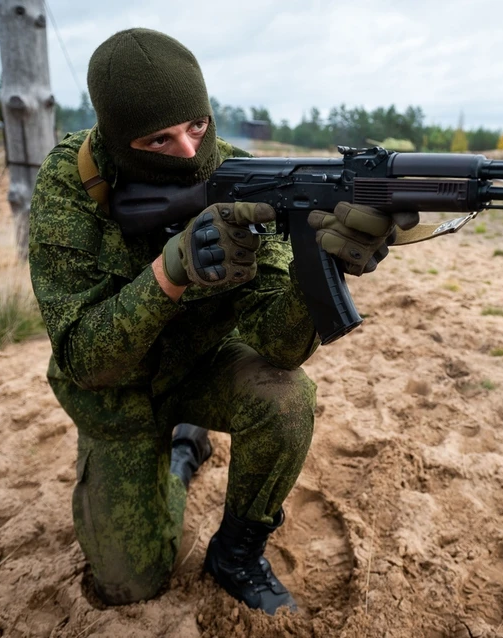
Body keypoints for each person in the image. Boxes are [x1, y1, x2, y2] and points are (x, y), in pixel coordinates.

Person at [28, 28, 407, 615]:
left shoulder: (249, 178)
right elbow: (83, 360)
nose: (187, 149)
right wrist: (169, 274)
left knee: (286, 399)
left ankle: (235, 552)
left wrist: (324, 266)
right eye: (160, 138)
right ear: (117, 139)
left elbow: (278, 346)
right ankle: (182, 456)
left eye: (197, 125)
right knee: (132, 584)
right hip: (117, 400)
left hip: (204, 364)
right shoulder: (70, 183)